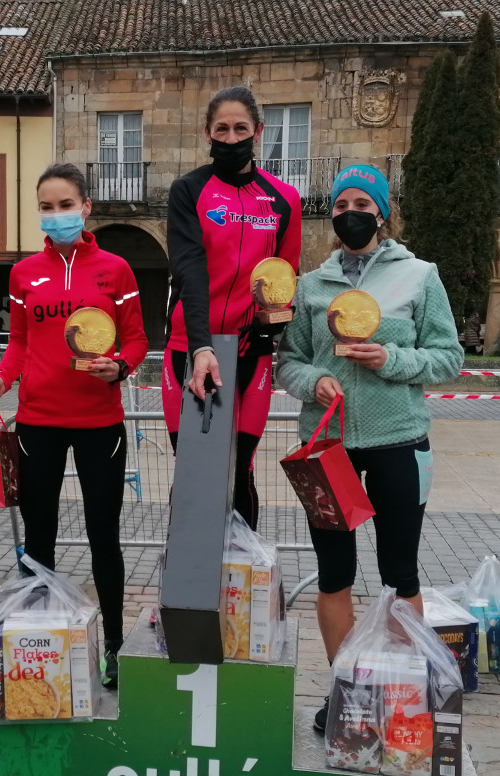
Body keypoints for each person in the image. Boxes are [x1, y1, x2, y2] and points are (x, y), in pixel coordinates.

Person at [274, 163, 462, 731]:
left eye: (361, 203)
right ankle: (348, 691)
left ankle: (403, 691)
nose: (349, 213)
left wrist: (392, 360)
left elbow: (449, 357)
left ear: (381, 212)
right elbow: (289, 361)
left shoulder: (420, 276)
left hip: (398, 440)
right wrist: (313, 382)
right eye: (340, 205)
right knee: (334, 572)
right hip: (326, 446)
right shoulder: (311, 284)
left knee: (399, 572)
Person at [0, 163, 148, 689]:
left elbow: (137, 339)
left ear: (86, 207)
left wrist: (119, 366)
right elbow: (23, 343)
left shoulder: (116, 269)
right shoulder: (23, 273)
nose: (56, 216)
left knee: (104, 539)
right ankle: (40, 643)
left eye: (65, 205)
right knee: (39, 538)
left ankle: (114, 645)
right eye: (47, 208)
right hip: (38, 422)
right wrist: (2, 380)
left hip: (101, 421)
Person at [163, 85, 302, 530]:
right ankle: (186, 585)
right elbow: (190, 269)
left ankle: (239, 583)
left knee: (240, 469)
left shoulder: (283, 199)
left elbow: (285, 278)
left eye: (240, 128)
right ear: (207, 132)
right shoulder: (189, 190)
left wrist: (271, 326)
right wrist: (202, 345)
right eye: (221, 128)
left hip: (249, 351)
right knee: (195, 468)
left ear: (258, 131)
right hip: (190, 346)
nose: (230, 137)